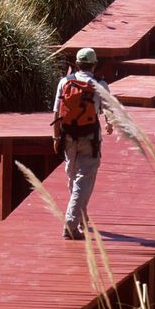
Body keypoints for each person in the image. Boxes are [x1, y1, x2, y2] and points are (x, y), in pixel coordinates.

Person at [52, 47, 113, 240]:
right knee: (84, 179)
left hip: (68, 135)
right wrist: (110, 124)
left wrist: (55, 138)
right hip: (90, 137)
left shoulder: (64, 82)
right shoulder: (99, 84)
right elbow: (109, 109)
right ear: (94, 65)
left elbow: (56, 113)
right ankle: (71, 223)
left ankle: (81, 218)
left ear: (76, 64)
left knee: (72, 176)